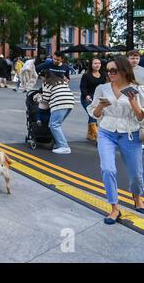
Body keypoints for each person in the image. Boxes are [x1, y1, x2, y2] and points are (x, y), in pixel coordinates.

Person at [87, 56, 144, 224]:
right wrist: (100, 107)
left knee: (136, 174)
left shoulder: (137, 89)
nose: (110, 73)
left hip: (130, 133)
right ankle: (114, 208)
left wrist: (133, 102)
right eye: (108, 70)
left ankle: (137, 196)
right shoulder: (102, 88)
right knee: (108, 169)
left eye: (114, 70)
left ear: (124, 71)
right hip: (106, 132)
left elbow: (141, 117)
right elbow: (95, 114)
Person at [41, 70, 75, 154]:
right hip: (70, 102)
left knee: (54, 125)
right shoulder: (61, 81)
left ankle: (64, 146)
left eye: (41, 78)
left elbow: (45, 99)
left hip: (59, 103)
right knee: (56, 124)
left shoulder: (46, 82)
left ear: (44, 76)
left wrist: (37, 97)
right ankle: (58, 143)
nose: (41, 79)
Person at [80, 58, 107, 141]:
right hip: (88, 98)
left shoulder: (103, 74)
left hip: (99, 98)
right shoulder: (86, 75)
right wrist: (86, 95)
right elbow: (82, 87)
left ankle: (90, 134)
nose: (97, 65)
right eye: (95, 63)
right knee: (93, 115)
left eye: (99, 63)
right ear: (91, 65)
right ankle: (97, 136)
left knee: (93, 115)